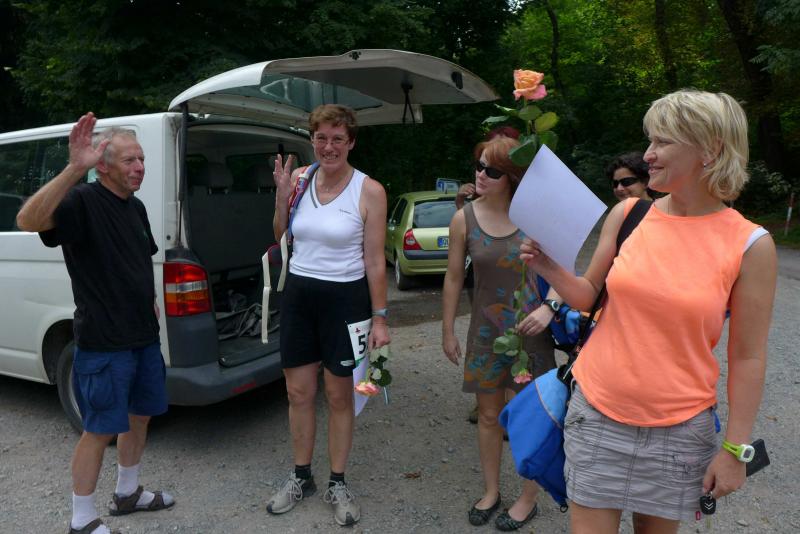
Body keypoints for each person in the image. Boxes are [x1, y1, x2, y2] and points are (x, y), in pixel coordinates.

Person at [520, 89, 776, 533]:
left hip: (680, 432)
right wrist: (548, 266)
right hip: (598, 415)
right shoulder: (629, 215)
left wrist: (736, 450)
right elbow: (589, 296)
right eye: (650, 141)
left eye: (662, 142)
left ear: (710, 149)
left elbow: (748, 356)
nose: (648, 155)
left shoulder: (751, 244)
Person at [16, 113, 174, 534]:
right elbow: (28, 221)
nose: (139, 167)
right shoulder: (81, 202)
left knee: (140, 416)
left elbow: (139, 259)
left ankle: (127, 493)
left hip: (143, 337)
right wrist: (74, 168)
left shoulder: (136, 207)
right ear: (102, 165)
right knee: (100, 429)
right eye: (129, 160)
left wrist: (150, 300)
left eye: (141, 159)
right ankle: (81, 519)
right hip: (104, 342)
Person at [267, 104, 390, 526]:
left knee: (339, 396)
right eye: (321, 138)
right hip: (299, 297)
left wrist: (380, 318)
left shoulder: (369, 190)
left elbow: (375, 261)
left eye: (338, 138)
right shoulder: (300, 180)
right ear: (312, 140)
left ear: (351, 142)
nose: (329, 146)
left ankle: (337, 480)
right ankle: (302, 476)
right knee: (298, 393)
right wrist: (281, 196)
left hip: (346, 301)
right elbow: (280, 234)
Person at [442, 136, 560, 531]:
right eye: (478, 165)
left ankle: (528, 498)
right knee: (489, 416)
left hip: (531, 334)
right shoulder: (464, 219)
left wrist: (548, 307)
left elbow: (565, 271)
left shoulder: (535, 218)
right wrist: (447, 330)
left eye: (492, 170)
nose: (480, 174)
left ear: (511, 176)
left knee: (527, 418)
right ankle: (491, 491)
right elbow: (453, 277)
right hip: (485, 334)